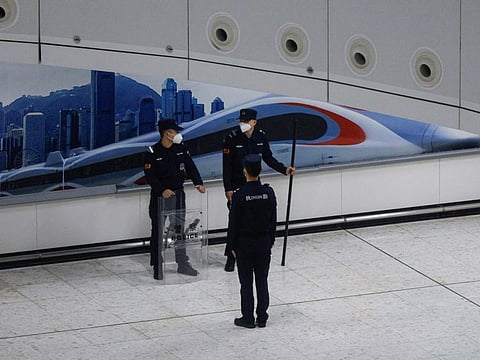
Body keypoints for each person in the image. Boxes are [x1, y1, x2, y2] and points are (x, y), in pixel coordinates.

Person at [222, 108, 295, 272]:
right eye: (241, 121)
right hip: (236, 185)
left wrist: (284, 170)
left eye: (246, 121)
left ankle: (254, 250)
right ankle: (231, 255)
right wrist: (228, 188)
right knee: (235, 221)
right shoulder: (231, 138)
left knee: (255, 218)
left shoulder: (261, 137)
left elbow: (268, 158)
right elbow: (226, 166)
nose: (243, 124)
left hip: (254, 182)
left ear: (254, 122)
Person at [144, 119, 206, 280]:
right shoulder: (152, 152)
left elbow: (191, 167)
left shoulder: (181, 149)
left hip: (178, 195)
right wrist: (162, 190)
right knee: (158, 230)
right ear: (167, 133)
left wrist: (198, 183)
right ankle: (157, 264)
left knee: (178, 230)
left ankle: (182, 263)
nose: (178, 134)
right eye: (175, 131)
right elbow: (150, 176)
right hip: (160, 197)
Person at [227, 154, 277, 328]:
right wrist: (270, 240)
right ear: (260, 170)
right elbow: (273, 220)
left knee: (246, 283)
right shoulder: (268, 192)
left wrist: (231, 246)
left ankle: (247, 318)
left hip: (245, 245)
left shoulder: (239, 196)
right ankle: (262, 317)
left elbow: (233, 223)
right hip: (263, 243)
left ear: (244, 171)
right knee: (262, 281)